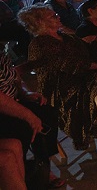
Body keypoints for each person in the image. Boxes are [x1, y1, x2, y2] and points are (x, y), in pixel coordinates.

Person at [17, 4, 97, 151]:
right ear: (39, 22)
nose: (58, 16)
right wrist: (95, 66)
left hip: (84, 79)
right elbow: (65, 64)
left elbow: (92, 53)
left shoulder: (68, 38)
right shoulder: (39, 43)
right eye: (53, 16)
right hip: (61, 88)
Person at [0, 51, 64, 189]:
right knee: (24, 127)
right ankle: (29, 173)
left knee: (48, 114)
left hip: (15, 99)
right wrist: (28, 115)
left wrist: (25, 93)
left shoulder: (2, 53)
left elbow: (13, 76)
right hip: (5, 107)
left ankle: (43, 166)